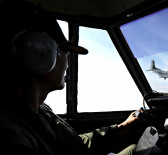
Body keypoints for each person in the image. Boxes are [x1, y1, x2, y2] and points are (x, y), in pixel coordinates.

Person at [0, 0, 145, 155]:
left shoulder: (37, 112)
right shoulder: (10, 133)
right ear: (41, 54)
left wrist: (122, 128)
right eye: (65, 50)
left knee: (135, 149)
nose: (67, 63)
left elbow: (75, 146)